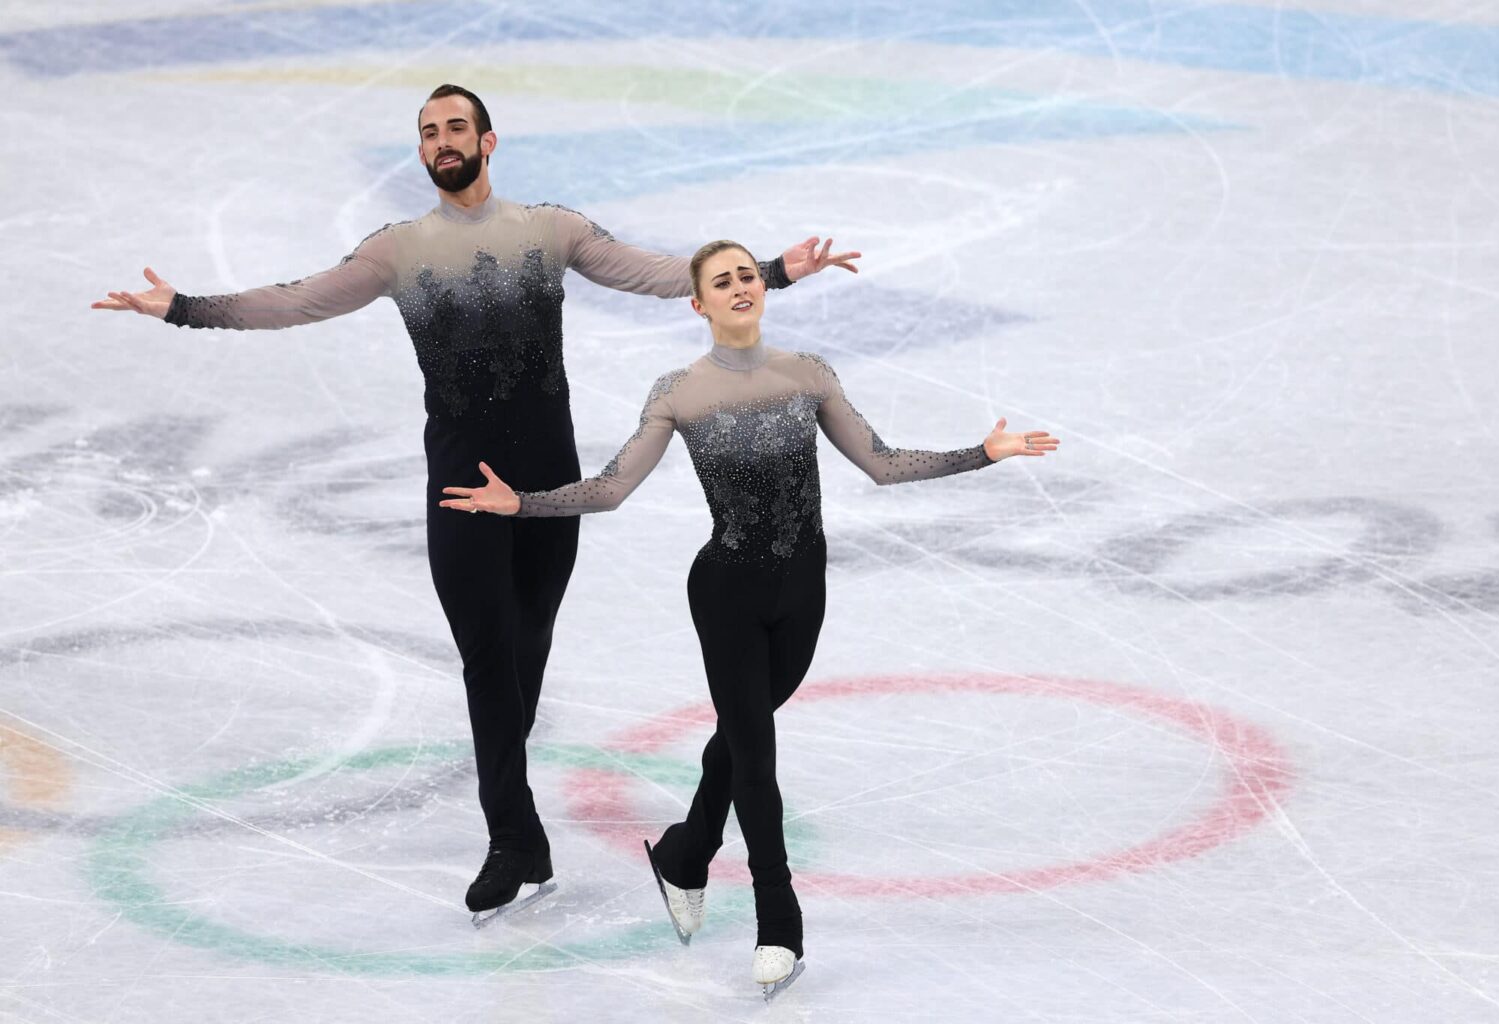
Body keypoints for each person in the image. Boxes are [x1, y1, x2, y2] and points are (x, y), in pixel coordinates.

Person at [91, 85, 862, 925]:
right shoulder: (399, 249)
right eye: (428, 133)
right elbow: (298, 299)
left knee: (527, 646)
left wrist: (774, 271)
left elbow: (656, 273)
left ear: (489, 142)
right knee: (487, 656)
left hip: (546, 485)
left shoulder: (550, 229)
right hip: (461, 483)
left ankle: (523, 837)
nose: (441, 141)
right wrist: (185, 310)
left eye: (456, 127)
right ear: (422, 153)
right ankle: (510, 835)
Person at [439, 239, 1058, 997]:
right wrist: (522, 505)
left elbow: (882, 463)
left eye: (745, 277)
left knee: (740, 739)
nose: (738, 288)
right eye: (720, 282)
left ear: (759, 292)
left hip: (804, 588)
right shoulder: (680, 392)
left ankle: (687, 851)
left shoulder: (808, 374)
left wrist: (982, 453)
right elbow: (609, 490)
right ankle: (778, 922)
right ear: (698, 305)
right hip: (726, 590)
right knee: (756, 757)